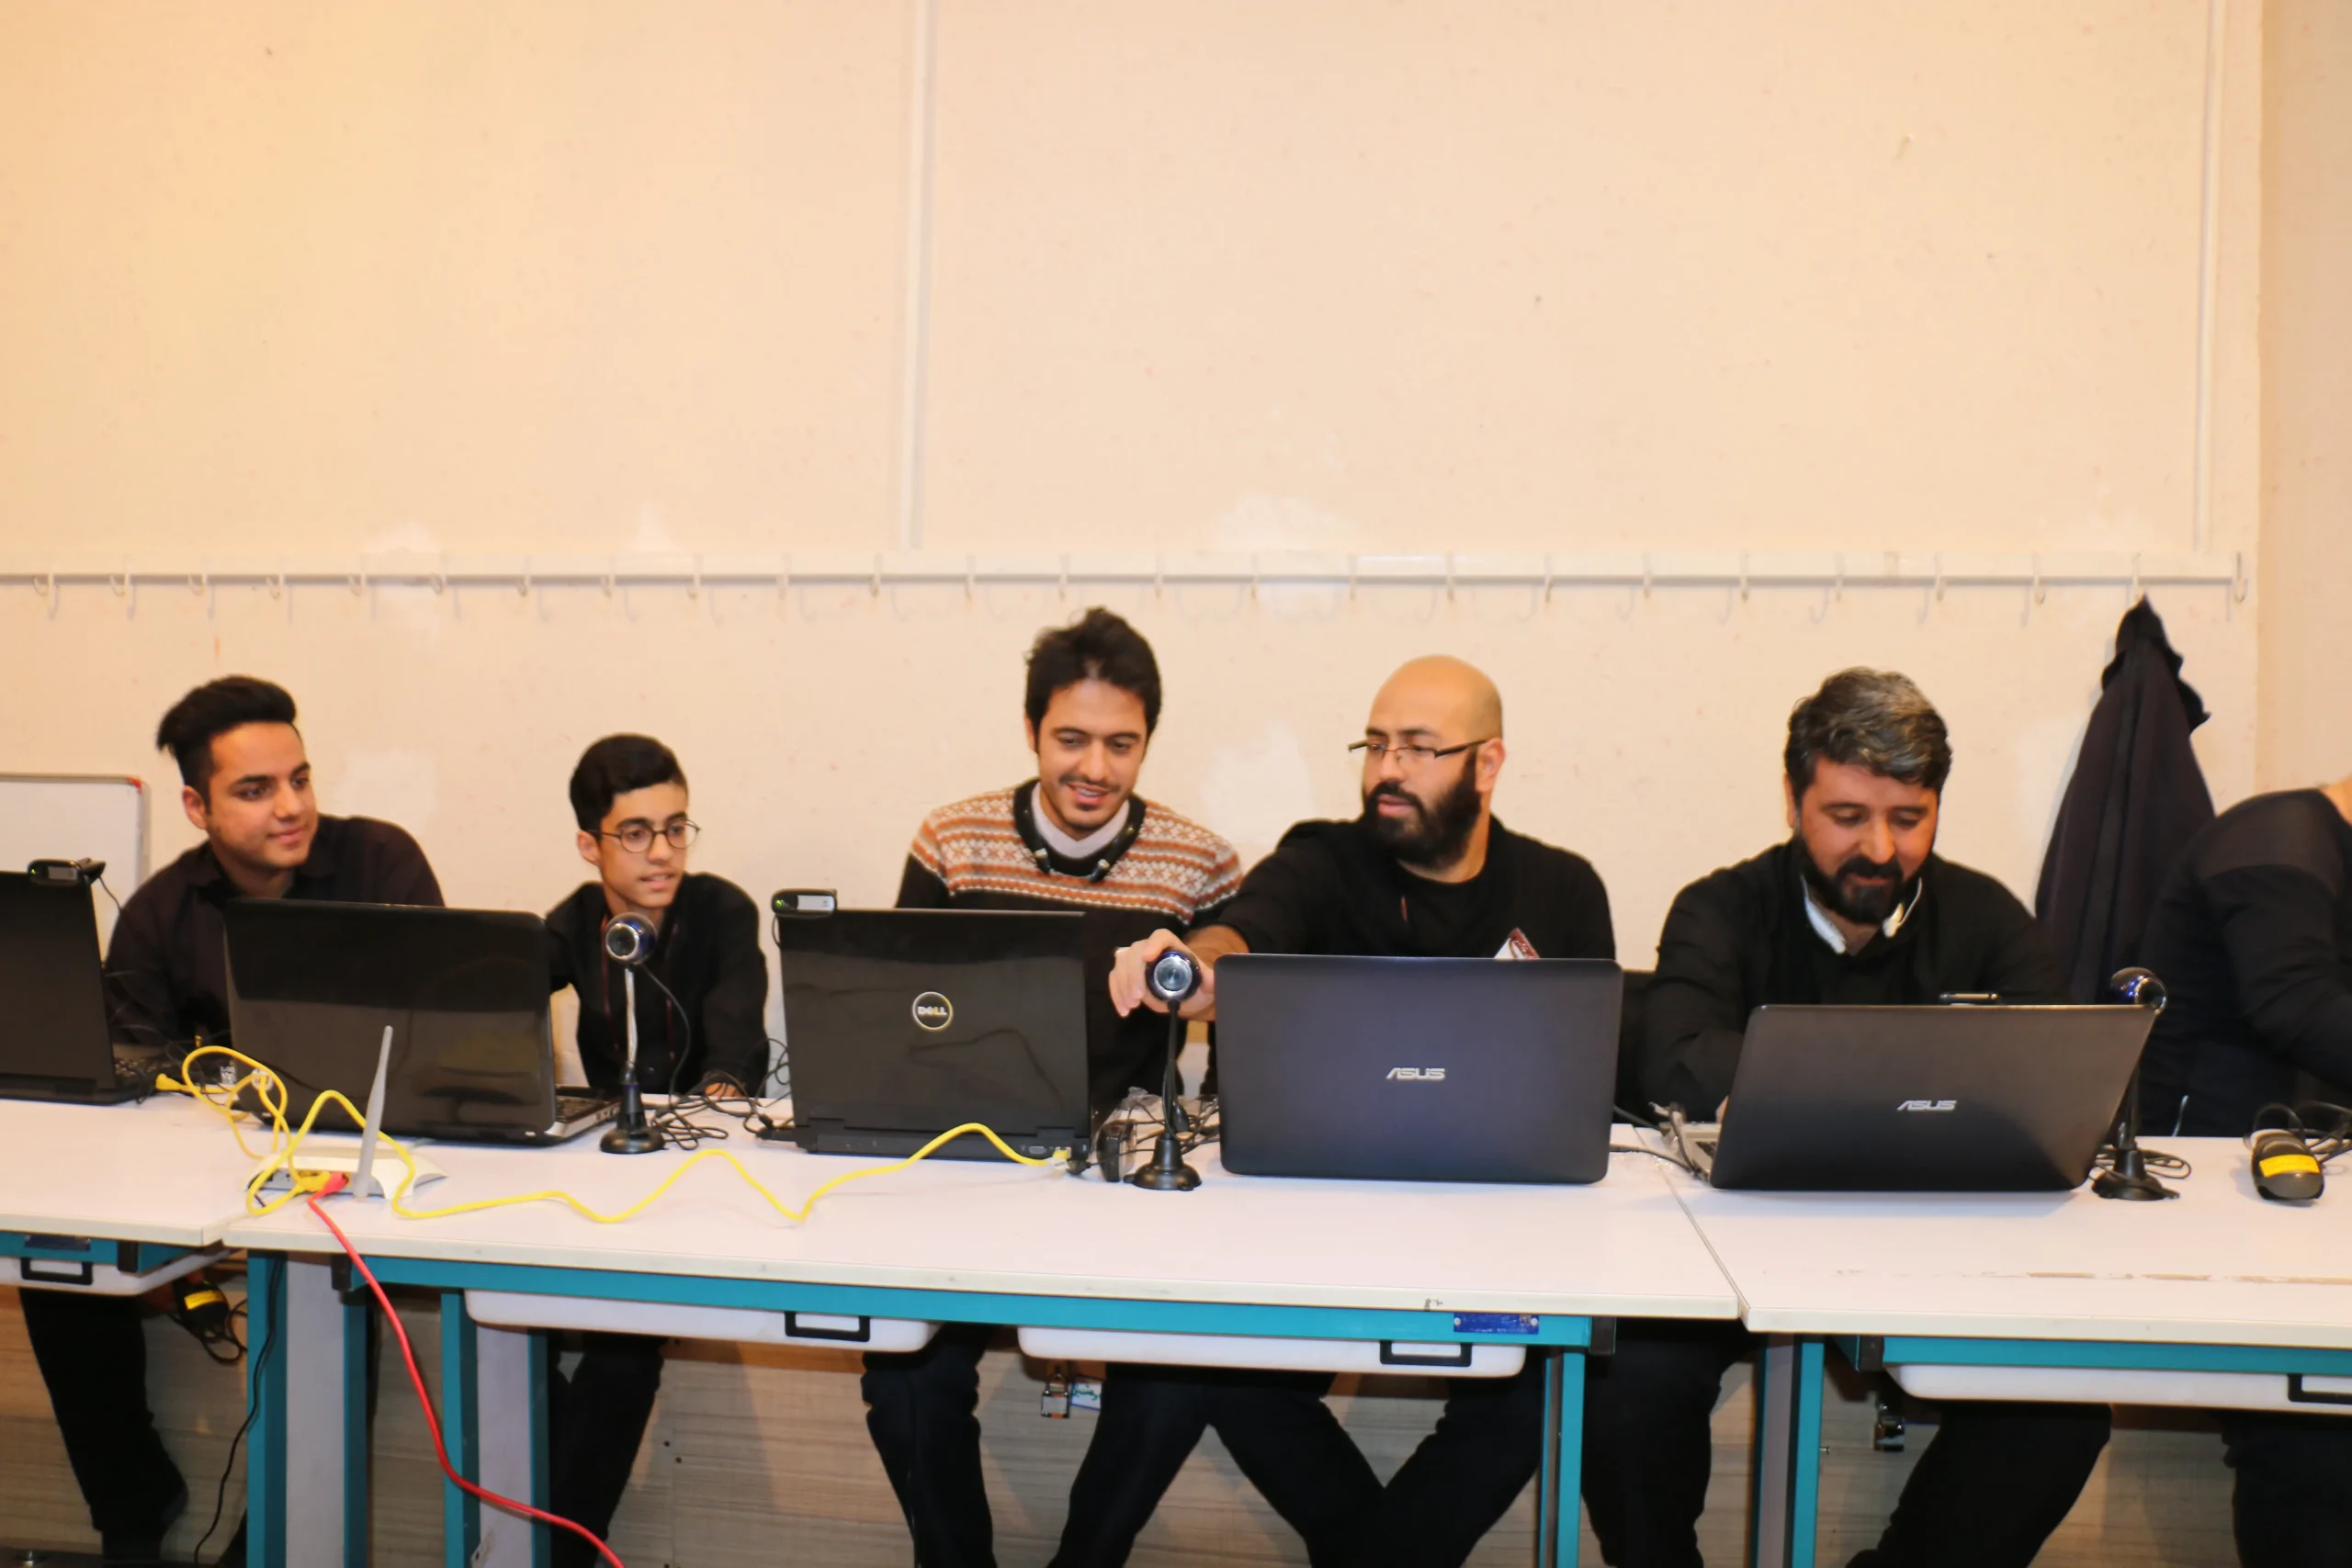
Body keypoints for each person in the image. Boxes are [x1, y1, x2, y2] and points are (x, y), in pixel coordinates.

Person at [1096, 653, 1615, 1568]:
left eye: (1417, 748)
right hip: (1311, 1219)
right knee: (1209, 1362)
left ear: (1487, 763)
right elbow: (1244, 932)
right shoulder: (1322, 861)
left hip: (1499, 1227)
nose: (1386, 770)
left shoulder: (1563, 889)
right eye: (1375, 745)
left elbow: (1588, 1077)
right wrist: (1200, 969)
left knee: (1545, 1391)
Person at [1627, 668, 2104, 1568]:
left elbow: (2064, 1081)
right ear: (1793, 799)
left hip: (1939, 1246)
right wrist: (1904, 1077)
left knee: (2059, 1412)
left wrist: (1800, 1074)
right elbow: (1671, 1059)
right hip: (1735, 1242)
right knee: (1629, 1388)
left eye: (1909, 818)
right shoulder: (1720, 906)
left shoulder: (1985, 915)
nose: (1880, 848)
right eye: (1847, 816)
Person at [861, 607, 1243, 1568]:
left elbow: (1232, 1018)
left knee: (1176, 1375)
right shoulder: (953, 841)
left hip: (1126, 1174)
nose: (1095, 767)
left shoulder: (1199, 862)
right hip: (967, 1161)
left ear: (1149, 740)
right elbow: (902, 1017)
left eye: (1122, 744)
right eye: (1071, 739)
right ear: (1030, 729)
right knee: (903, 1373)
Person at [41, 676, 443, 1567]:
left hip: (362, 1167)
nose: (291, 806)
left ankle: (279, 1536)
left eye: (299, 778)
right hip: (202, 1175)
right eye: (256, 790)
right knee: (55, 1266)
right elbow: (127, 1079)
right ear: (197, 806)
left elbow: (438, 1033)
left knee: (326, 1267)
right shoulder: (159, 911)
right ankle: (131, 1512)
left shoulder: (381, 864)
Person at [537, 733, 771, 1566]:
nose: (663, 851)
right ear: (589, 844)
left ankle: (559, 1547)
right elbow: (494, 1004)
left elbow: (736, 1053)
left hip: (704, 1177)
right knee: (505, 1330)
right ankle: (551, 1533)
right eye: (635, 833)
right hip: (605, 1176)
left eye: (676, 827)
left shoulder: (722, 911)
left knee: (622, 1352)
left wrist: (717, 1094)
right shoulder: (571, 923)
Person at [2136, 773, 2352, 1568]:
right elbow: (2296, 1003)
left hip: (2288, 1204)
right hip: (2204, 1202)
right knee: (2315, 1439)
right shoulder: (2279, 842)